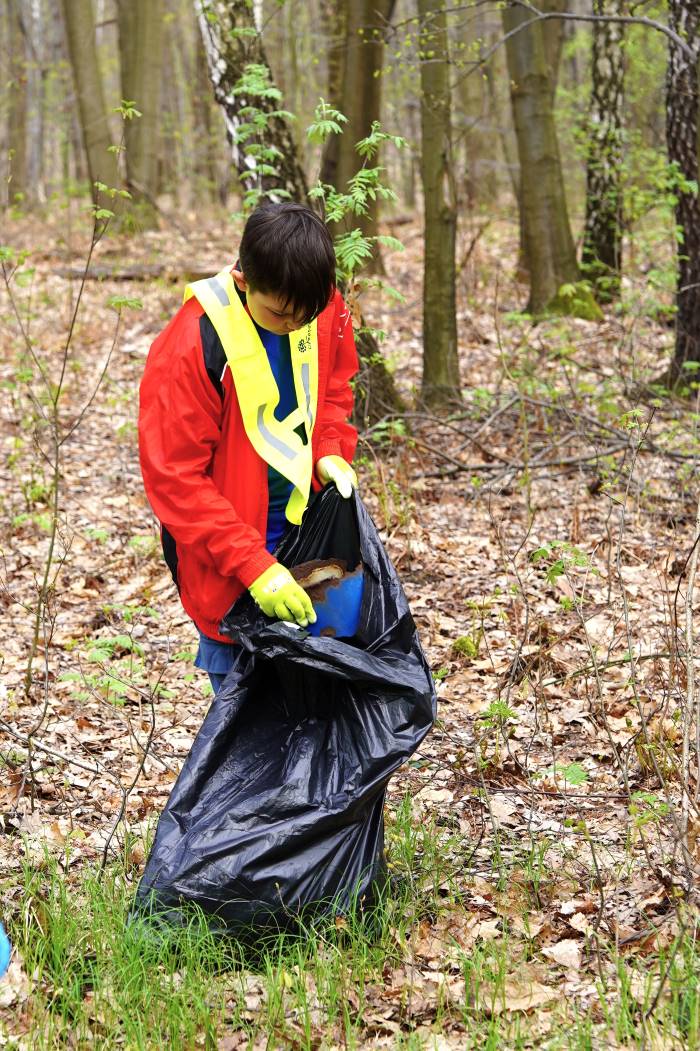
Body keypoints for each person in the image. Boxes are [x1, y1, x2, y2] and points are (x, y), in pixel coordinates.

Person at [138, 202, 359, 693]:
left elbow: (335, 388)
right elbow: (175, 479)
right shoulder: (191, 345)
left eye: (307, 314)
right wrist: (255, 568)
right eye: (280, 314)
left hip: (311, 543)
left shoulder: (318, 305)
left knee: (321, 715)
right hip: (230, 566)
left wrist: (329, 446)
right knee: (249, 735)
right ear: (243, 281)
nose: (294, 325)